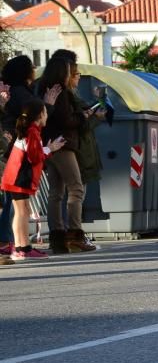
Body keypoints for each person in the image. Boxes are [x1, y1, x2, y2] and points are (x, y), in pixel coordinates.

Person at [37, 57, 100, 253]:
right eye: (72, 71)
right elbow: (66, 120)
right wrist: (83, 116)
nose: (74, 75)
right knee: (76, 188)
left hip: (52, 145)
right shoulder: (62, 93)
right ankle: (75, 234)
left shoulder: (46, 88)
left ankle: (57, 237)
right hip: (63, 144)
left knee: (56, 192)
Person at [1, 56, 60, 257]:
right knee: (19, 210)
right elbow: (35, 155)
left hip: (15, 171)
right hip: (18, 173)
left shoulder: (21, 98)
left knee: (21, 209)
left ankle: (19, 245)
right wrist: (50, 148)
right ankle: (20, 246)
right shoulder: (31, 130)